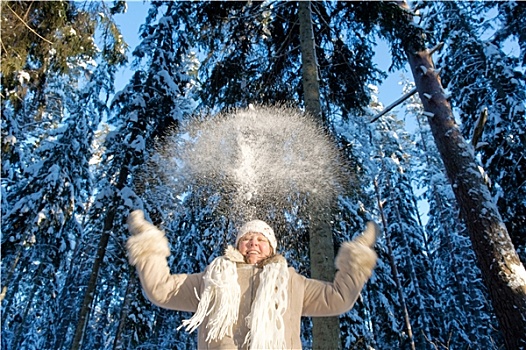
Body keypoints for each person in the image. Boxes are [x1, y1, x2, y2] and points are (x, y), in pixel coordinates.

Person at [126, 210, 378, 349]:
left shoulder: (292, 282)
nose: (253, 244)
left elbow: (339, 299)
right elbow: (161, 290)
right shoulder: (212, 278)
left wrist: (355, 261)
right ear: (238, 245)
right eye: (246, 239)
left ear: (271, 248)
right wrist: (149, 247)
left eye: (261, 240)